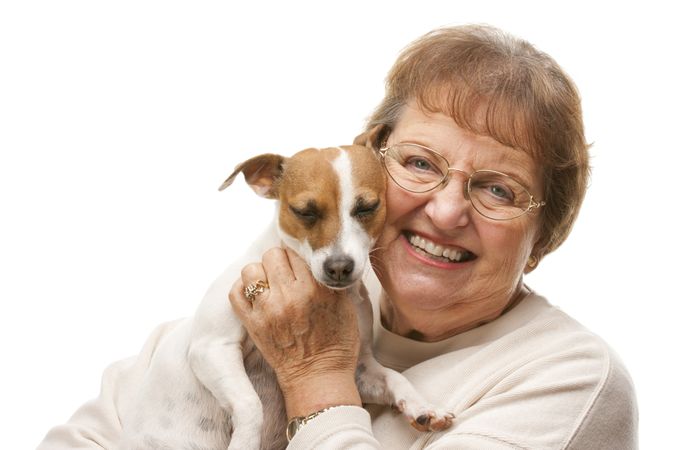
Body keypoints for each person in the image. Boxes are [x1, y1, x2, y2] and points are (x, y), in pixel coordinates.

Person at [38, 24, 638, 449]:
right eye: (422, 163)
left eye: (498, 190)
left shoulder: (573, 380)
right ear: (367, 167)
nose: (447, 210)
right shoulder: (270, 299)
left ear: (545, 236)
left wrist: (317, 376)